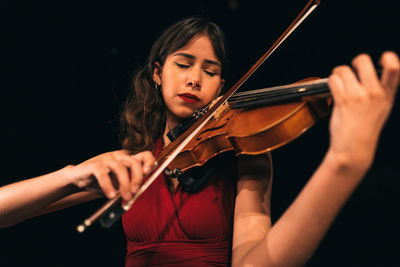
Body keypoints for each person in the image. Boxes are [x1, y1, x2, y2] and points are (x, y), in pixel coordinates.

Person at [0, 16, 399, 266]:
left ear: (222, 87)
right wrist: (72, 174)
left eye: (210, 71)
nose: (195, 78)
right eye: (183, 63)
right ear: (157, 73)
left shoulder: (244, 155)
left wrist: (342, 163)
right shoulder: (131, 162)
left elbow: (254, 263)